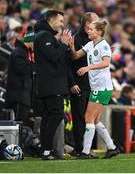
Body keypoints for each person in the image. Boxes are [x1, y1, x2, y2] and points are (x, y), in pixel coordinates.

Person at [69, 20, 119, 159]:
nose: (88, 31)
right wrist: (71, 46)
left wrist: (88, 67)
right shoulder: (90, 44)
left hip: (102, 87)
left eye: (91, 29)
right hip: (97, 87)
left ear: (99, 32)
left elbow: (106, 62)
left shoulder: (103, 46)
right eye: (88, 29)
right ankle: (112, 147)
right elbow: (75, 56)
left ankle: (85, 152)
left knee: (88, 118)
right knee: (95, 120)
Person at [34, 10, 71, 160]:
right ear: (52, 20)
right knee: (56, 115)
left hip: (50, 84)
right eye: (60, 21)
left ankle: (46, 151)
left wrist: (64, 45)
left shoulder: (45, 36)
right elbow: (54, 56)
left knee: (49, 116)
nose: (62, 24)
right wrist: (63, 44)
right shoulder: (44, 36)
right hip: (51, 85)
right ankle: (47, 150)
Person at [69, 12, 99, 156]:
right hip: (79, 84)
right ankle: (79, 148)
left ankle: (87, 148)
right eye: (95, 21)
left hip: (91, 84)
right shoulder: (76, 38)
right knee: (80, 117)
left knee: (90, 118)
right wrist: (72, 83)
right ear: (87, 24)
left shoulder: (94, 39)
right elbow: (69, 62)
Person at [5, 26, 35, 126]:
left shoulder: (25, 53)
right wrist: (35, 64)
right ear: (31, 41)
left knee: (23, 126)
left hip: (23, 96)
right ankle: (17, 142)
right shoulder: (19, 52)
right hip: (18, 96)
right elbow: (22, 69)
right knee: (19, 125)